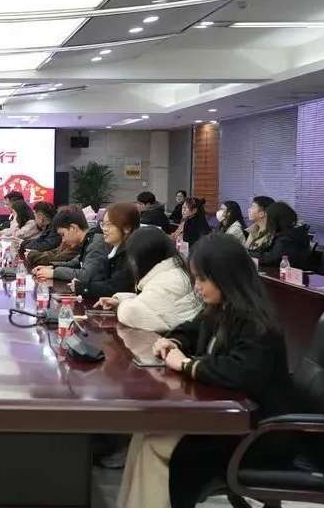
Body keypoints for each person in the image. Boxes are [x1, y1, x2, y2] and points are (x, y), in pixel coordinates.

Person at [118, 234, 293, 508]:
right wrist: (173, 342)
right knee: (145, 432)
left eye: (202, 279)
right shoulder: (221, 308)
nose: (197, 286)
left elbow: (238, 371)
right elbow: (192, 328)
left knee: (155, 442)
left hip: (256, 433)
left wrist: (186, 364)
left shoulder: (257, 324)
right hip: (227, 419)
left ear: (225, 277)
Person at [93, 226, 201, 333]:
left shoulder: (163, 282)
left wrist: (121, 306)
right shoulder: (174, 272)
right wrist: (120, 300)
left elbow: (130, 313)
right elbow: (153, 302)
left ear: (143, 258)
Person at [75, 202, 140, 301]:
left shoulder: (130, 254)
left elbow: (115, 288)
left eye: (109, 225)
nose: (104, 229)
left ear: (127, 228)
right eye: (103, 224)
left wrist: (82, 288)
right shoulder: (115, 250)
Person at [32, 208, 107, 283]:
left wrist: (54, 273)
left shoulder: (95, 244)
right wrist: (52, 267)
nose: (63, 240)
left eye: (63, 234)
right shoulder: (89, 239)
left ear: (73, 228)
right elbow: (74, 263)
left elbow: (86, 275)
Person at [247, 201, 311, 268]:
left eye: (267, 218)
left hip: (287, 272)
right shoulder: (292, 232)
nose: (266, 221)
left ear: (275, 220)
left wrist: (247, 254)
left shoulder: (287, 238)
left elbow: (271, 259)